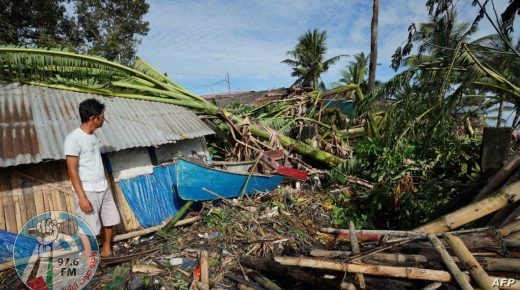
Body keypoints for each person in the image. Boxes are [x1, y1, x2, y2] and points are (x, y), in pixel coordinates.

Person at [64, 98, 120, 258]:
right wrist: (82, 197)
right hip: (88, 190)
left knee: (110, 220)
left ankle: (107, 249)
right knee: (89, 228)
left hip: (103, 186)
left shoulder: (94, 137)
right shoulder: (73, 139)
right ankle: (89, 258)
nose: (104, 118)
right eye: (102, 115)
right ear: (93, 118)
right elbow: (72, 171)